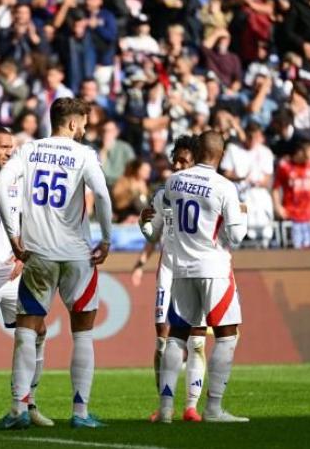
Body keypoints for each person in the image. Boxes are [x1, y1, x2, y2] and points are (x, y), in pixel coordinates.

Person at [0, 97, 113, 429]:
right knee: (84, 332)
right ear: (73, 124)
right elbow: (102, 195)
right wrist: (106, 238)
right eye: (84, 124)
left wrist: (13, 235)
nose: (86, 129)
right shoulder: (84, 154)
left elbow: (2, 185)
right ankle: (80, 412)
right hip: (78, 255)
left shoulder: (30, 150)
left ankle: (18, 409)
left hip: (38, 253)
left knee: (26, 330)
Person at [158, 130, 248, 424]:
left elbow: (163, 217)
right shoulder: (224, 186)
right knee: (226, 335)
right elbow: (236, 236)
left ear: (195, 153)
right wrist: (241, 215)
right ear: (220, 155)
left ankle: (167, 409)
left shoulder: (174, 181)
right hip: (214, 269)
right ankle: (213, 408)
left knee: (176, 337)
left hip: (181, 269)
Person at [0, 125, 53, 427]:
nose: (9, 152)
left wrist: (23, 254)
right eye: (3, 147)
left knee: (36, 331)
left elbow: (29, 217)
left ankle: (26, 403)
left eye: (12, 147)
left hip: (14, 272)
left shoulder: (19, 176)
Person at [138, 135, 202, 422]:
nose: (176, 165)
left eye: (183, 161)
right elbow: (154, 234)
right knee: (162, 339)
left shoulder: (210, 191)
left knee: (196, 340)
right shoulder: (164, 194)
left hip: (200, 270)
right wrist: (144, 223)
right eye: (175, 160)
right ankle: (164, 404)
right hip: (169, 269)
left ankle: (191, 406)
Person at [272, 139, 310, 249]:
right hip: (292, 215)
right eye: (307, 152)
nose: (309, 157)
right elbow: (275, 188)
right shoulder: (284, 166)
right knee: (293, 250)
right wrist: (278, 207)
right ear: (299, 152)